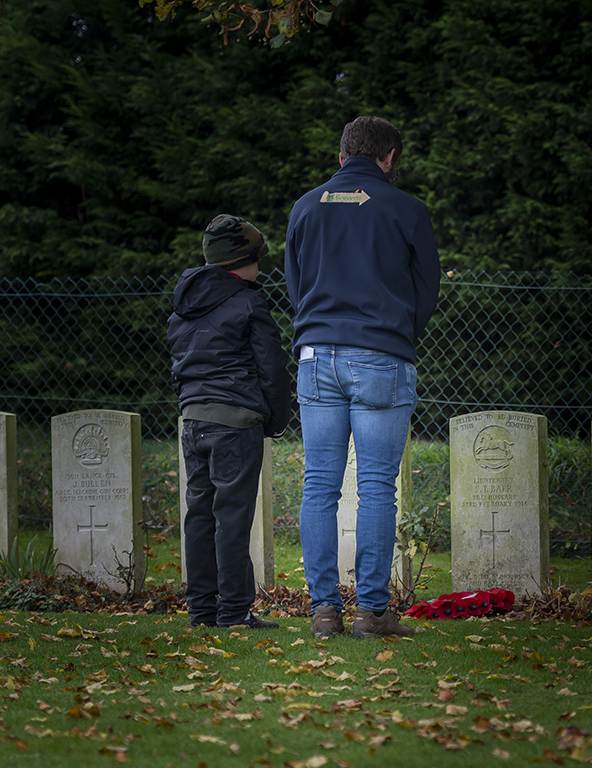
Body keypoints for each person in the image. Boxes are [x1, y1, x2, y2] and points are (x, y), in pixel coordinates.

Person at [285, 116, 442, 639]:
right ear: (390, 157)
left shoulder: (306, 207)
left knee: (319, 486)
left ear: (341, 155)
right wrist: (397, 332)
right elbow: (426, 289)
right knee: (376, 487)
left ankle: (323, 611)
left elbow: (295, 282)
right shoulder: (407, 209)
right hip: (381, 353)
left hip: (315, 355)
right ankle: (372, 612)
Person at [168, 214, 291, 629]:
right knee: (232, 520)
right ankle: (235, 612)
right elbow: (271, 367)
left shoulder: (184, 303)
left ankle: (201, 611)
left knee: (200, 517)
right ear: (242, 262)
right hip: (235, 422)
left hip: (193, 420)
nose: (261, 268)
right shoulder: (249, 300)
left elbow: (179, 364)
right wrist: (275, 419)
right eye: (258, 259)